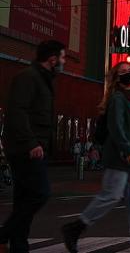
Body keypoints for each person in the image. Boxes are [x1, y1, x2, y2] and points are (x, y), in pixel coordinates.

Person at [62, 62, 130, 252]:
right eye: (123, 72)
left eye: (129, 71)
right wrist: (128, 150)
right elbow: (116, 128)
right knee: (111, 195)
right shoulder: (118, 99)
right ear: (117, 79)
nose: (128, 74)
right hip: (121, 157)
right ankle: (76, 228)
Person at [0, 40, 66, 252]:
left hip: (34, 148)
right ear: (52, 59)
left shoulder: (43, 79)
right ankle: (4, 234)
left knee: (23, 200)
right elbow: (17, 112)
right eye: (62, 58)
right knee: (40, 193)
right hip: (26, 149)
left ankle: (19, 246)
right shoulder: (28, 77)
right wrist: (31, 143)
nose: (64, 62)